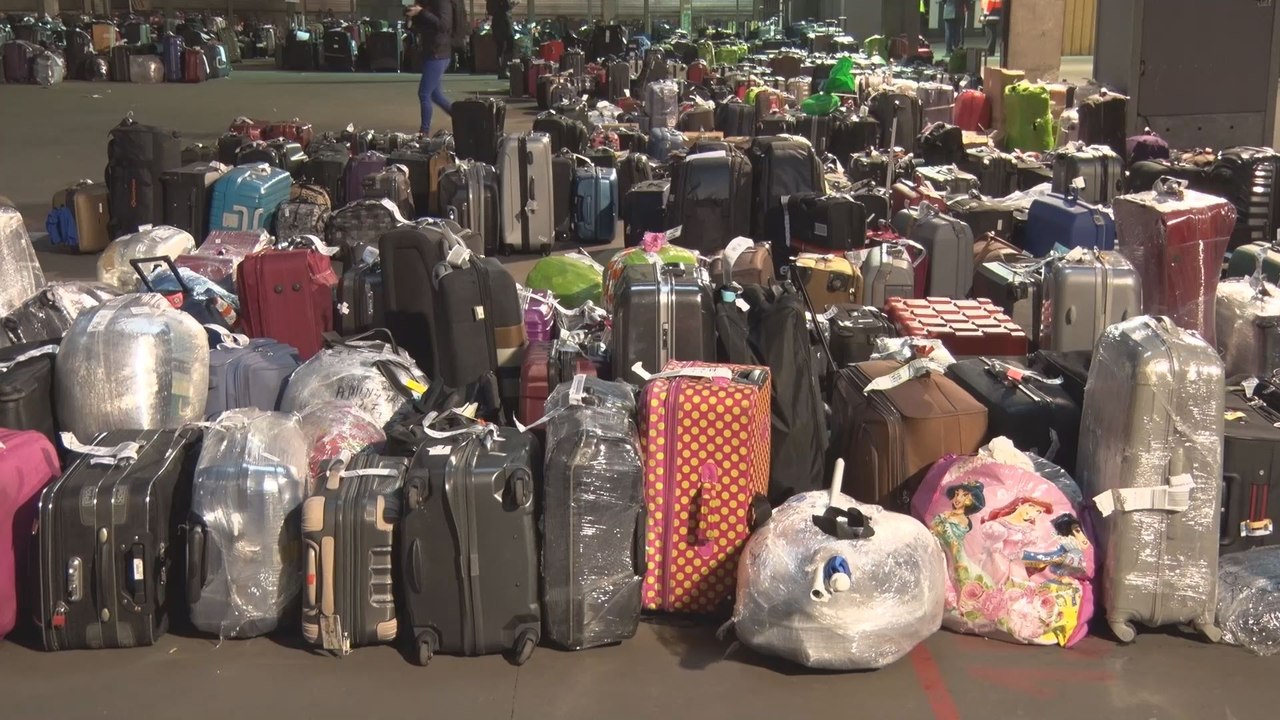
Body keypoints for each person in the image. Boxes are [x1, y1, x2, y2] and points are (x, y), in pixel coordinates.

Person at [406, 0, 454, 134]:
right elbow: (418, 28)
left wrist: (421, 12)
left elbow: (444, 25)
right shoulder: (427, 3)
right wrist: (411, 17)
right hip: (430, 52)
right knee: (436, 95)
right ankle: (462, 118)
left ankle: (424, 131)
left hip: (438, 53)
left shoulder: (443, 3)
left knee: (424, 93)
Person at [930, 481, 986, 555]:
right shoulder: (945, 514)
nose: (958, 498)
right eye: (956, 494)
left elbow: (953, 543)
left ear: (970, 501)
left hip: (943, 552)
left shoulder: (964, 522)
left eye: (964, 496)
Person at [489, 0, 515, 79]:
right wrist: (512, 4)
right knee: (510, 44)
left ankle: (500, 69)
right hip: (504, 21)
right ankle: (504, 69)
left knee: (499, 47)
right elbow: (506, 6)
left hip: (496, 22)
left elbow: (490, 9)